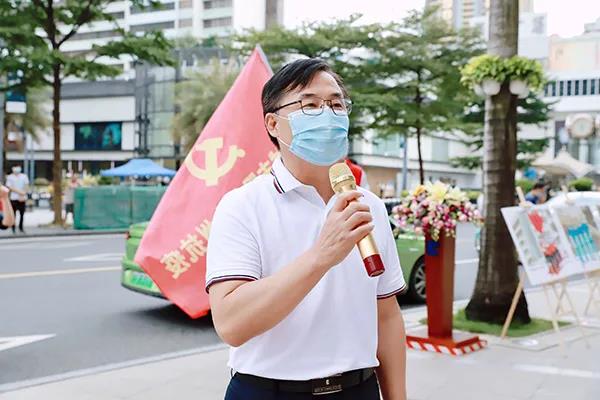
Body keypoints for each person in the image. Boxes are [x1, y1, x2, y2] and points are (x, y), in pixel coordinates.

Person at [207, 59, 407, 400]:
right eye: (310, 105)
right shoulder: (242, 206)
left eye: (336, 105)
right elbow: (231, 324)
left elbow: (386, 316)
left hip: (357, 390)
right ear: (273, 124)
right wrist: (321, 256)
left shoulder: (368, 205)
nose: (327, 115)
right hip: (267, 391)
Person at [6, 165, 29, 234]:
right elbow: (9, 187)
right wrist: (20, 192)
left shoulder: (24, 176)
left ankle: (21, 228)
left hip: (22, 198)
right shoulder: (10, 177)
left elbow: (26, 186)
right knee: (13, 214)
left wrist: (23, 193)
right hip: (14, 198)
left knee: (22, 214)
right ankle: (13, 228)